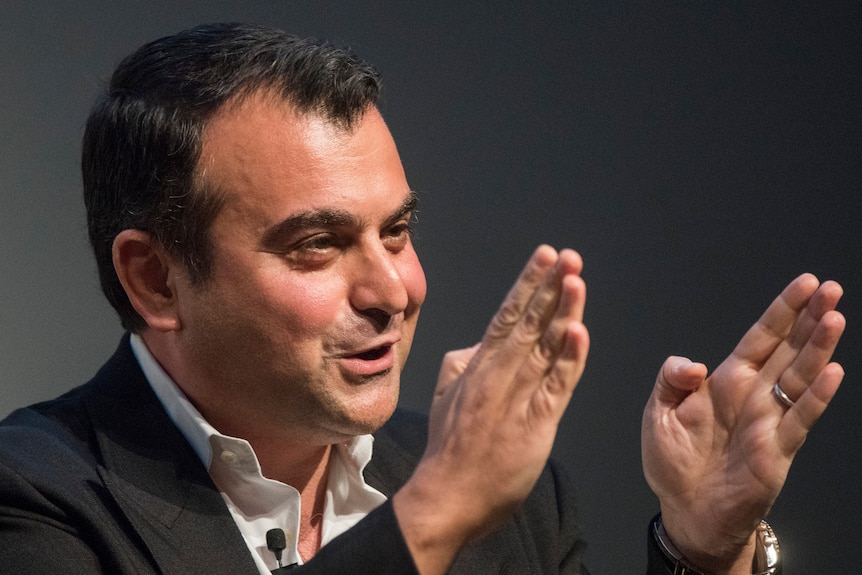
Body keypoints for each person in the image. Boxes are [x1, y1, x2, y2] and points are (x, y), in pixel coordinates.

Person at [0, 23, 845, 575]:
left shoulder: (514, 500)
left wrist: (704, 550)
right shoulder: (35, 498)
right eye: (318, 245)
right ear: (155, 278)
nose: (392, 290)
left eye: (396, 232)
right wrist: (434, 510)